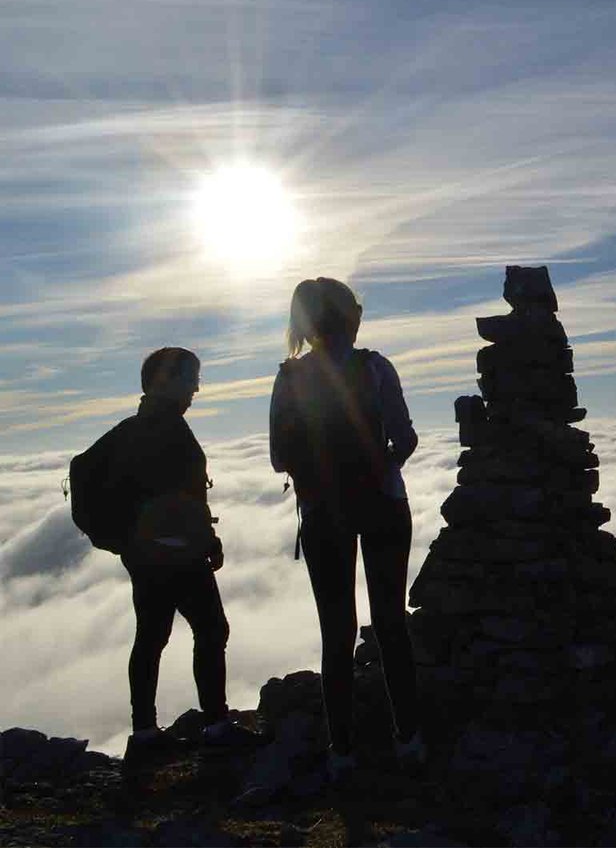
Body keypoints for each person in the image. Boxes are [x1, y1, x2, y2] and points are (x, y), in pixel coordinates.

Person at [269, 278, 422, 780]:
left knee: (335, 633)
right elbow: (405, 437)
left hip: (321, 515)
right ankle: (409, 738)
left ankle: (342, 751)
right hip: (383, 505)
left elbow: (276, 459)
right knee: (391, 624)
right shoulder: (376, 368)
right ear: (350, 317)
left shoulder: (289, 378)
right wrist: (381, 467)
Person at [119, 347, 259, 761]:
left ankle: (143, 730)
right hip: (177, 554)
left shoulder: (135, 428)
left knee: (150, 637)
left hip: (143, 554)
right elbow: (183, 498)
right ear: (170, 381)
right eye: (191, 379)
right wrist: (205, 541)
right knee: (212, 630)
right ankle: (216, 725)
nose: (197, 387)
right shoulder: (169, 430)